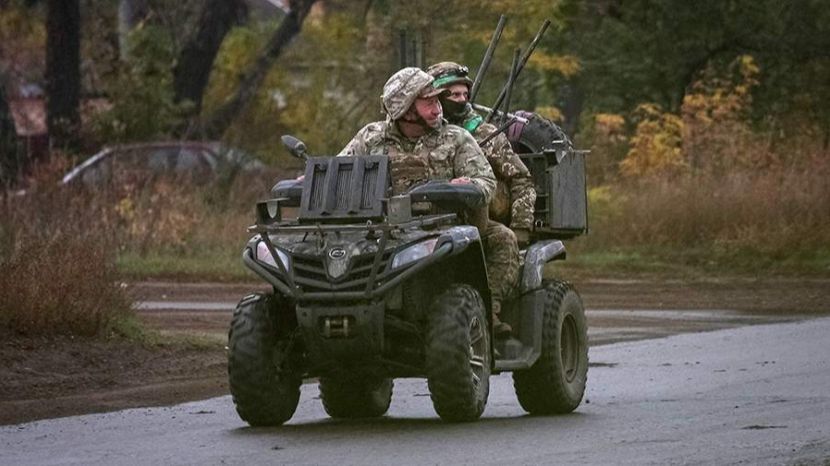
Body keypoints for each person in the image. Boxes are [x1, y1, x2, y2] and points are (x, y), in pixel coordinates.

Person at [338, 67, 515, 336]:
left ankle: (485, 312)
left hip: (447, 231)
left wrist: (467, 187)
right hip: (382, 231)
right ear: (406, 110)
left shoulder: (455, 138)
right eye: (429, 102)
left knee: (503, 238)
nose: (438, 108)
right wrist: (307, 182)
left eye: (437, 101)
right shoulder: (370, 138)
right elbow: (340, 171)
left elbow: (486, 182)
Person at [426, 62, 537, 246]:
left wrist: (521, 227)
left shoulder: (486, 133)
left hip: (482, 223)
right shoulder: (423, 135)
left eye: (465, 94)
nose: (462, 100)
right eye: (454, 94)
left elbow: (521, 179)